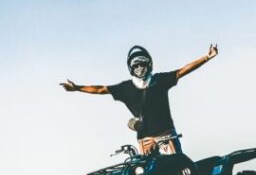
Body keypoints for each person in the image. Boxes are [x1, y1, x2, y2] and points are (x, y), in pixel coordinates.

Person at [61, 44, 218, 155]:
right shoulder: (126, 88)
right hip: (145, 139)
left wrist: (207, 57)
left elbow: (182, 70)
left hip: (166, 135)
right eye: (135, 65)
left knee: (178, 169)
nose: (139, 68)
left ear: (149, 65)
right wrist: (77, 88)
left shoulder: (160, 80)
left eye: (142, 64)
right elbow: (101, 89)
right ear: (131, 68)